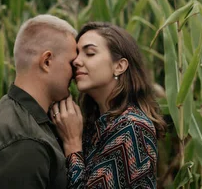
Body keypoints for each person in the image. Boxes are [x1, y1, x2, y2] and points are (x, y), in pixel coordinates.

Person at [52, 22, 167, 188]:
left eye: (90, 53)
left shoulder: (132, 128)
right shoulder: (97, 124)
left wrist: (72, 144)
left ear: (119, 66)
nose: (76, 61)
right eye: (76, 54)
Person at [0, 15, 78, 189]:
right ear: (46, 61)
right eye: (72, 64)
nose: (75, 74)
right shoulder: (26, 143)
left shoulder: (14, 109)